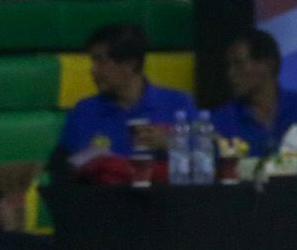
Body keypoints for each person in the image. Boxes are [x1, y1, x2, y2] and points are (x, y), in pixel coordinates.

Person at [58, 23, 195, 160]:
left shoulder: (178, 105)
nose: (93, 70)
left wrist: (169, 144)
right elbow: (63, 166)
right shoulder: (84, 111)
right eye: (93, 61)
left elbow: (203, 159)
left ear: (130, 64)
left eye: (101, 61)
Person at [210, 29, 297, 158]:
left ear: (267, 64)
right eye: (228, 66)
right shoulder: (221, 120)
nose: (230, 74)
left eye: (238, 64)